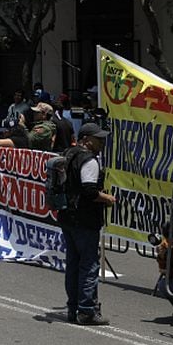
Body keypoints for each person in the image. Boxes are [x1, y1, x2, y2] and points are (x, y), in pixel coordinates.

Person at [58, 122, 116, 325]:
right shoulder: (89, 160)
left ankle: (73, 309)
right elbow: (89, 191)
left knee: (73, 263)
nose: (101, 142)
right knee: (89, 265)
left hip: (68, 217)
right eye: (97, 138)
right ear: (86, 140)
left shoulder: (69, 153)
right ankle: (86, 310)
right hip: (84, 219)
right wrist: (106, 199)